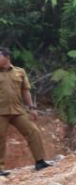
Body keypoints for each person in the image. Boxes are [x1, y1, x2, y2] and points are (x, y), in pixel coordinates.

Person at [0, 48, 51, 176]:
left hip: (18, 110)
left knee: (33, 131)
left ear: (7, 57)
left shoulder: (19, 72)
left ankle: (40, 162)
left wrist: (31, 108)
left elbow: (25, 91)